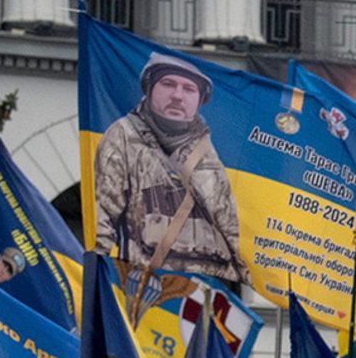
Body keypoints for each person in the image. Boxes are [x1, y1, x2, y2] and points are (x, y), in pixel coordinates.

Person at [89, 57, 244, 295]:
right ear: (150, 88)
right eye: (168, 84)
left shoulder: (208, 154)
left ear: (199, 101)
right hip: (141, 287)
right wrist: (97, 287)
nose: (178, 96)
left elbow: (231, 232)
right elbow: (102, 219)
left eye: (189, 89)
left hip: (197, 294)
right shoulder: (123, 136)